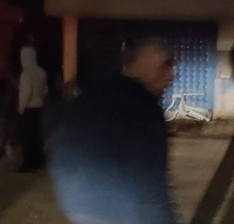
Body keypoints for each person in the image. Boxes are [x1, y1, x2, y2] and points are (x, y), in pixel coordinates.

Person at [49, 38, 178, 224]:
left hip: (77, 206)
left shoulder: (92, 94)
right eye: (165, 65)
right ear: (138, 63)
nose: (171, 76)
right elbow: (152, 183)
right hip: (119, 213)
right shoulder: (145, 108)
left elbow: (58, 141)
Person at [18, 44, 47, 172]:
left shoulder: (26, 74)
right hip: (39, 107)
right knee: (38, 137)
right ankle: (39, 162)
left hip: (29, 109)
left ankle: (28, 164)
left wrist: (21, 108)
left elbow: (26, 92)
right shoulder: (42, 72)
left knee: (27, 138)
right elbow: (45, 90)